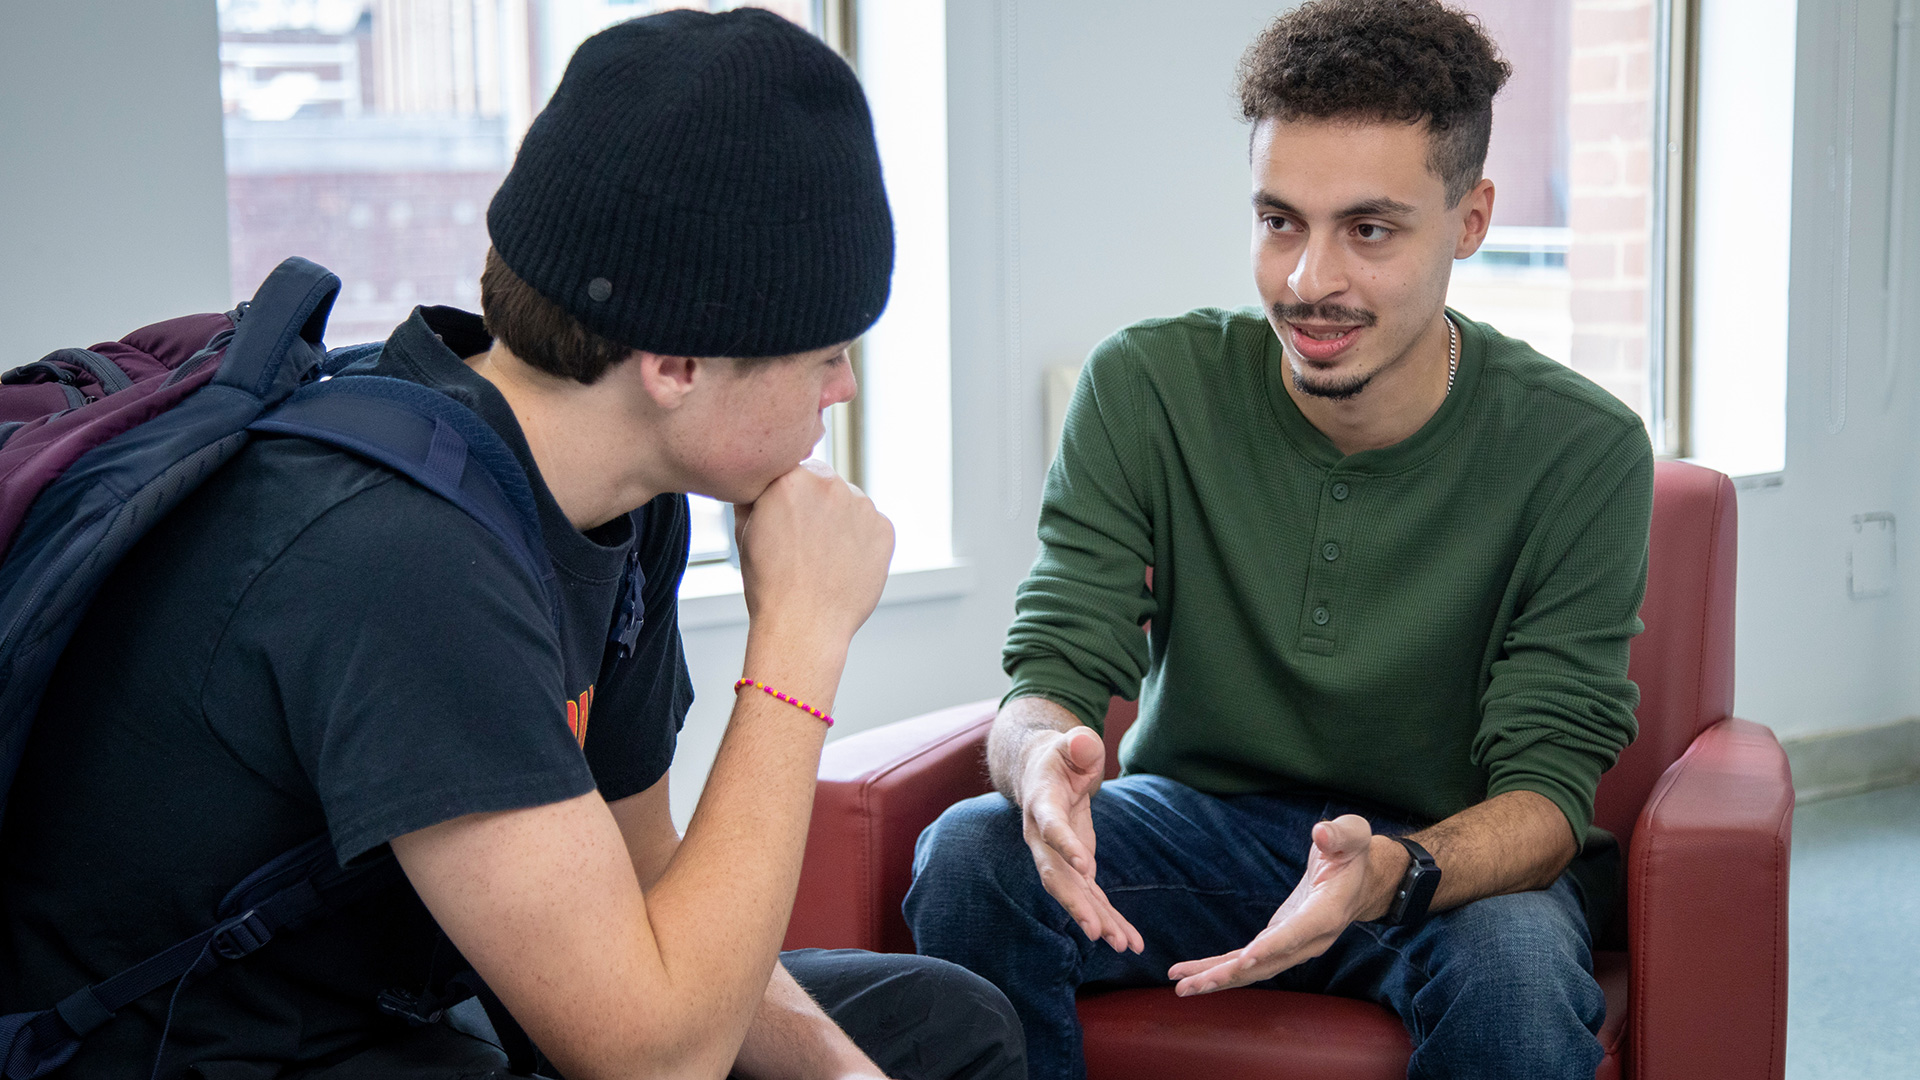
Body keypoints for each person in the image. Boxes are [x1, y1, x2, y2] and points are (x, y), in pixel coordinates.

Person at [0, 10, 1024, 1080]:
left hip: (405, 999)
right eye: (822, 355)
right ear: (673, 363)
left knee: (943, 1029)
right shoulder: (397, 554)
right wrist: (802, 637)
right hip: (200, 1052)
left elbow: (643, 889)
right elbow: (648, 1059)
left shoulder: (626, 504)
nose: (845, 388)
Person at [904, 1, 1652, 1078]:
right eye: (1279, 221)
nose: (1308, 282)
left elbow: (1544, 799)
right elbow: (1054, 663)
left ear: (1472, 218)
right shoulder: (1146, 386)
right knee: (974, 853)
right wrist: (1037, 765)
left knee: (1517, 974)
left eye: (1370, 229)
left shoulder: (1582, 449)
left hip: (1440, 863)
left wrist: (1394, 867)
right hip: (1198, 831)